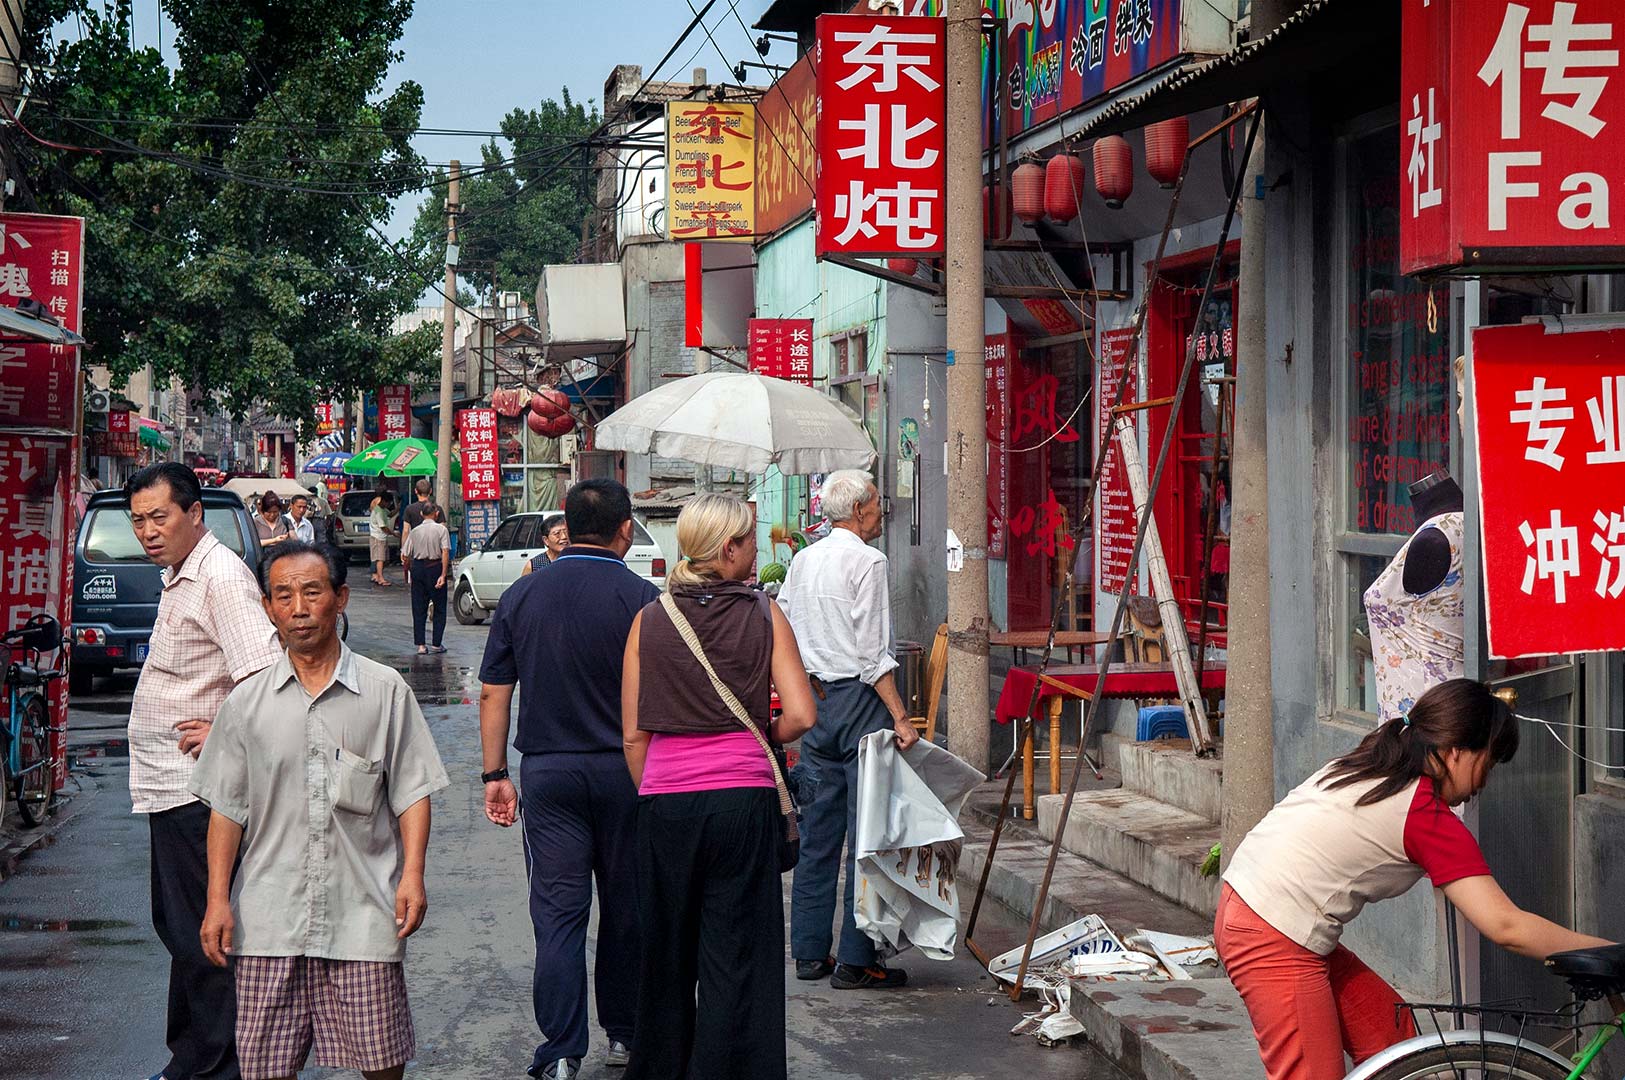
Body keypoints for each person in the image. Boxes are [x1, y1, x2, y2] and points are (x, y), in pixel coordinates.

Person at [1219, 679, 1615, 1080]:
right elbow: (1506, 925)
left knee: (1396, 1043)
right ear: (1456, 751)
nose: (1484, 783)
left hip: (1259, 909)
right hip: (1271, 933)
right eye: (1488, 763)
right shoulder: (1423, 812)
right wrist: (1612, 955)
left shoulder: (1376, 761)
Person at [193, 541, 449, 1080]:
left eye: (312, 592)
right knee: (266, 1069)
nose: (299, 608)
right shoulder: (245, 704)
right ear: (268, 608)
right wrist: (218, 900)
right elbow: (226, 809)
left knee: (382, 1064)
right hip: (268, 921)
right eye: (283, 596)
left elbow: (412, 790)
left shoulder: (385, 692)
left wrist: (414, 875)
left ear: (341, 598)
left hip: (364, 916)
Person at [620, 494, 817, 1080]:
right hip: (742, 803)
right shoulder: (763, 613)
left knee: (666, 956)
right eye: (751, 539)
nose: (757, 549)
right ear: (728, 550)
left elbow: (634, 736)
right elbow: (803, 715)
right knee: (738, 957)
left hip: (665, 803)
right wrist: (761, 732)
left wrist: (659, 788)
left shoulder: (649, 619)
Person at [478, 479, 659, 1080]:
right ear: (625, 529)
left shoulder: (523, 595)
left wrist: (495, 773)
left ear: (566, 525)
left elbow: (493, 692)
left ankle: (560, 1051)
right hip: (628, 772)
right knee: (627, 908)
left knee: (557, 915)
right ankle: (625, 1036)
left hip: (549, 774)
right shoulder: (643, 599)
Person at [125, 462, 283, 1080]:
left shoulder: (220, 576)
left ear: (194, 514)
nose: (147, 531)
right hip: (170, 785)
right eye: (138, 519)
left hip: (200, 791)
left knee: (205, 933)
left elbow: (266, 677)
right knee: (179, 925)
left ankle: (220, 1063)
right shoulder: (181, 576)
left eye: (159, 517)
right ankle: (190, 1054)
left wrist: (220, 727)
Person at [777, 469, 917, 991]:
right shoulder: (869, 561)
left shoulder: (804, 559)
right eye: (877, 505)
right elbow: (871, 654)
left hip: (815, 704)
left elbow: (782, 622)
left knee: (818, 835)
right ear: (858, 511)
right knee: (866, 835)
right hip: (859, 701)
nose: (882, 513)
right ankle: (858, 959)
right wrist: (900, 717)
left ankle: (811, 954)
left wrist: (806, 681)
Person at [400, 503, 450, 655]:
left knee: (419, 608)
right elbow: (445, 552)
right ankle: (436, 643)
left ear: (422, 514)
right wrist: (443, 574)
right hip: (435, 567)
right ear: (436, 513)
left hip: (419, 569)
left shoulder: (414, 531)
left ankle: (421, 645)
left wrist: (408, 570)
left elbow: (405, 554)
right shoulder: (442, 530)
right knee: (440, 607)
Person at [398, 478, 431, 573]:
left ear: (416, 491)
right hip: (434, 551)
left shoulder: (409, 509)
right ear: (431, 491)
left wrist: (404, 550)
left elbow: (405, 531)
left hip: (416, 550)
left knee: (416, 580)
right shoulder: (437, 508)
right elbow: (443, 528)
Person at [370, 492, 396, 586]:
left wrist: (399, 507)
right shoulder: (379, 511)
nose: (389, 505)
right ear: (384, 501)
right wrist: (393, 534)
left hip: (381, 537)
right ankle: (380, 578)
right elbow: (383, 527)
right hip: (378, 538)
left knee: (384, 559)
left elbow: (390, 514)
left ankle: (377, 575)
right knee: (380, 559)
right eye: (388, 503)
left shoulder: (383, 509)